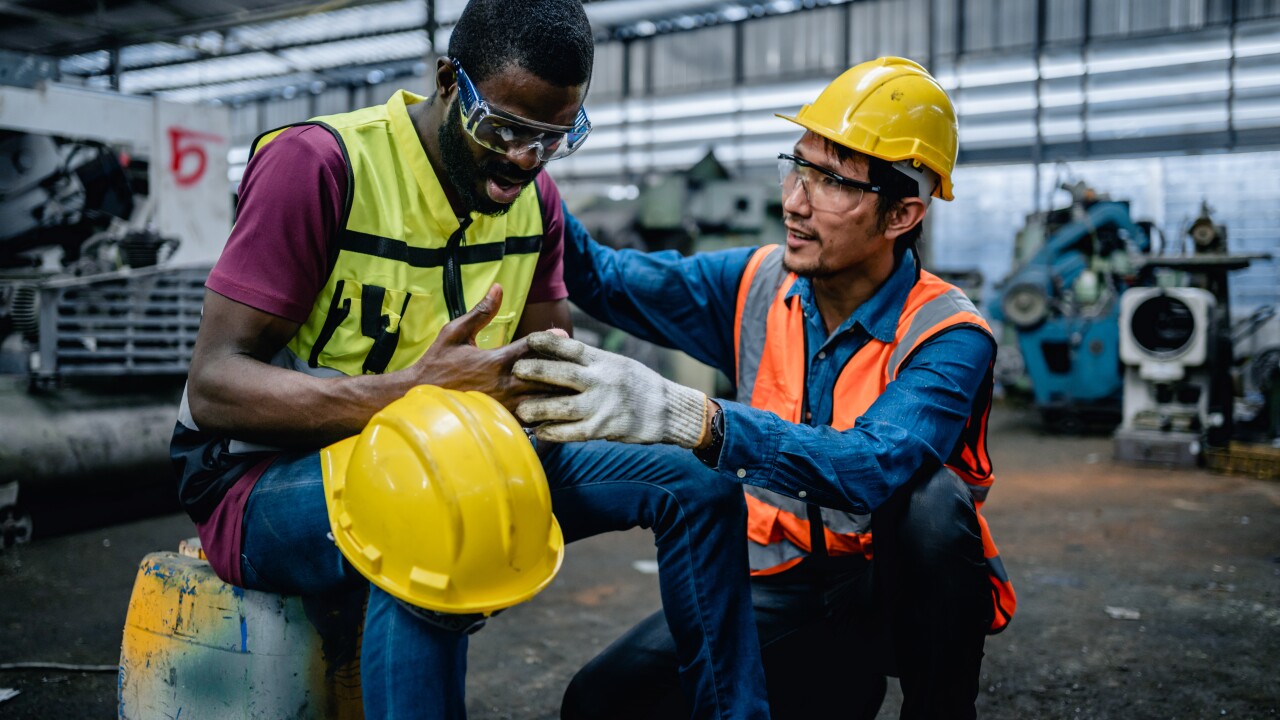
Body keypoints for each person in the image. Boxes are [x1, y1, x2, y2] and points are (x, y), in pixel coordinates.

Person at [170, 1, 769, 718]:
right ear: (450, 80)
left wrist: (588, 394)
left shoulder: (536, 200)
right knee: (430, 503)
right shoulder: (321, 166)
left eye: (551, 137)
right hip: (261, 477)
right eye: (505, 129)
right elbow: (214, 388)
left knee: (698, 490)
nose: (524, 158)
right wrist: (411, 393)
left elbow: (552, 367)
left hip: (466, 454)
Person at [513, 57, 1018, 720]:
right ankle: (835, 682)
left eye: (832, 181)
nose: (794, 201)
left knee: (931, 506)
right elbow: (603, 278)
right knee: (600, 703)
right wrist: (529, 157)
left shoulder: (949, 333)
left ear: (902, 214)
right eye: (797, 166)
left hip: (891, 589)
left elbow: (868, 469)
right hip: (782, 585)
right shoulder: (756, 283)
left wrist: (696, 418)